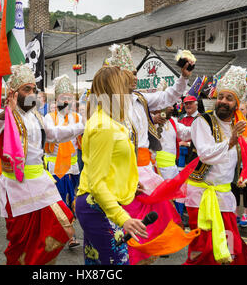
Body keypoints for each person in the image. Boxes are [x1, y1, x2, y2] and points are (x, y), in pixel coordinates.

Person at [0, 64, 83, 265]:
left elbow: (54, 135)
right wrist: (7, 112)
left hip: (40, 181)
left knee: (62, 224)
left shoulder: (36, 114)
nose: (32, 93)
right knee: (21, 242)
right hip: (16, 187)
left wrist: (84, 125)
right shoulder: (1, 113)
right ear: (14, 93)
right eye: (26, 89)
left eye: (33, 90)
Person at [101, 43, 191, 265]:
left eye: (135, 73)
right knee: (128, 231)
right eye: (131, 74)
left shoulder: (140, 99)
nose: (135, 77)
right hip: (124, 174)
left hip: (146, 171)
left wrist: (183, 77)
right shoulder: (107, 106)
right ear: (117, 76)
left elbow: (169, 96)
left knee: (149, 230)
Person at [183, 66, 247, 265]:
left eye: (229, 98)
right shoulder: (202, 121)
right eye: (221, 97)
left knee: (230, 249)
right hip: (200, 198)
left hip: (225, 197)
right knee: (202, 251)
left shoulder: (242, 126)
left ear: (236, 104)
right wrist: (230, 142)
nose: (223, 101)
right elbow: (205, 154)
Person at [75, 65, 148, 265]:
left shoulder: (109, 121)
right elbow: (96, 182)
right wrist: (123, 218)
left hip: (100, 204)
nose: (130, 96)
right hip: (97, 207)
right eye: (127, 90)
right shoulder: (104, 126)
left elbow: (110, 166)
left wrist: (129, 185)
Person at [44, 75, 82, 248]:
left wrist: (70, 130)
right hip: (56, 168)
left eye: (69, 98)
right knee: (58, 201)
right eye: (63, 98)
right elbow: (53, 134)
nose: (66, 101)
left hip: (73, 167)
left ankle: (69, 233)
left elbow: (81, 130)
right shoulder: (49, 117)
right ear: (56, 99)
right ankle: (64, 234)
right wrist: (72, 130)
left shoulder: (76, 117)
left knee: (71, 200)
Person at [154, 105, 192, 218]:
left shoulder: (172, 122)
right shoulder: (150, 119)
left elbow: (186, 132)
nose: (171, 107)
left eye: (172, 105)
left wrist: (202, 125)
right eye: (168, 104)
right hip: (156, 169)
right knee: (160, 203)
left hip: (171, 168)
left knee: (172, 201)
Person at [233, 101, 247, 228]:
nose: (240, 111)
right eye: (238, 109)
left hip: (246, 165)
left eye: (242, 109)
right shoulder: (233, 124)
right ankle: (235, 212)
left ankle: (246, 214)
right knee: (234, 188)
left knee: (246, 189)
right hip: (234, 164)